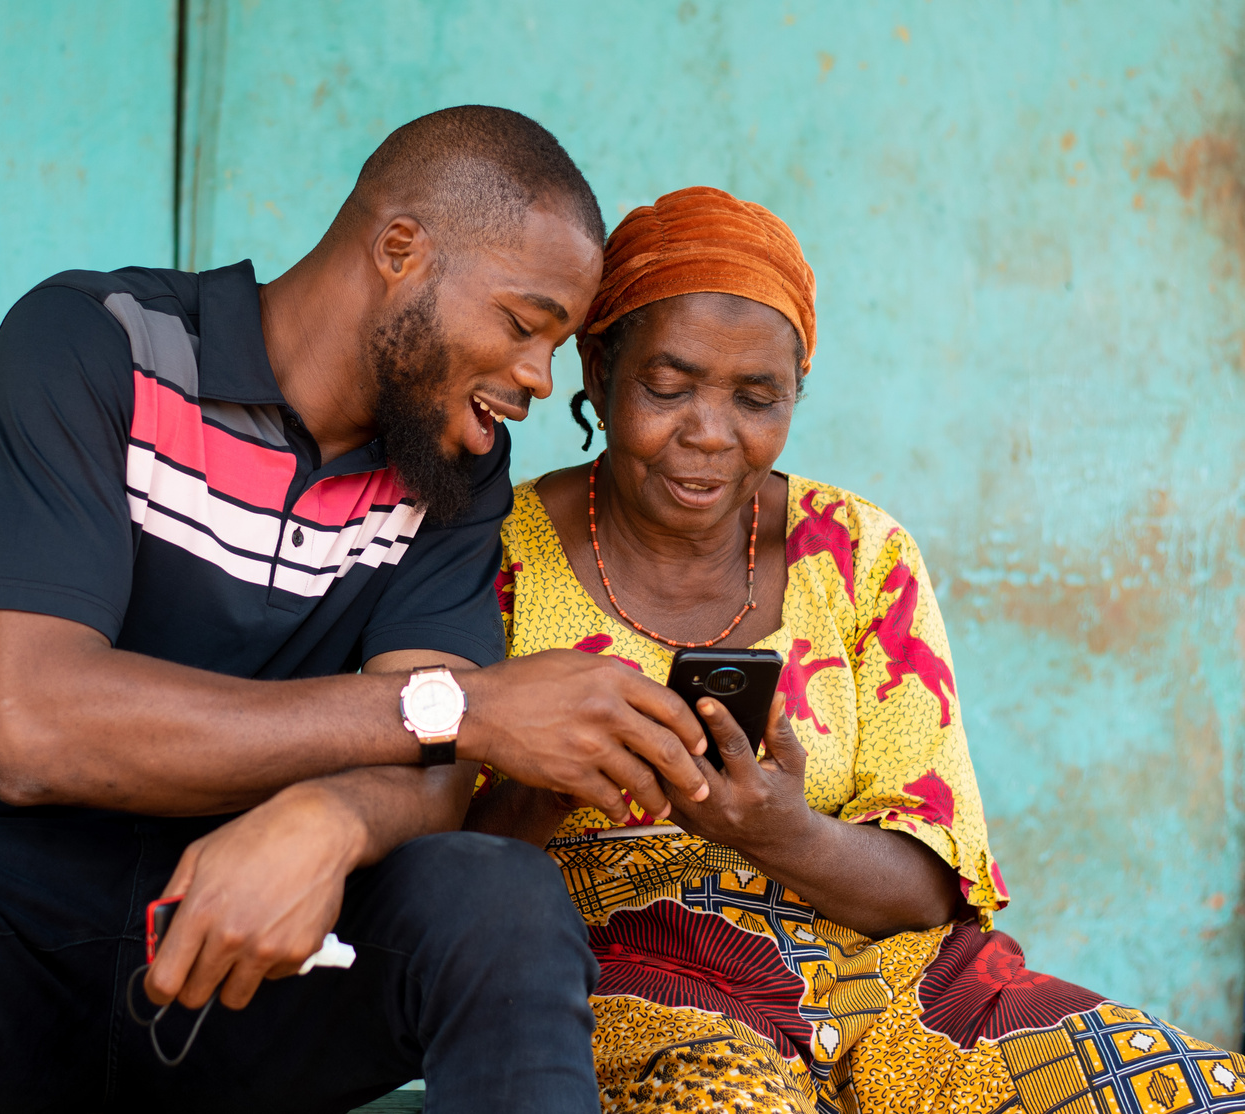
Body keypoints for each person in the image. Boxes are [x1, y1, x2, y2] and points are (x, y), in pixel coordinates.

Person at [0, 108, 719, 1114]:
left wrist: (325, 819)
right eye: (521, 322)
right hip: (7, 942)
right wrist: (463, 708)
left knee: (502, 900)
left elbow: (427, 774)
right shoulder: (97, 344)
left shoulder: (450, 467)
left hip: (267, 953)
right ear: (401, 252)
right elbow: (36, 726)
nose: (539, 379)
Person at [465, 185, 1245, 1114]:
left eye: (756, 398)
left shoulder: (859, 551)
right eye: (667, 388)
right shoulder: (489, 552)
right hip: (637, 982)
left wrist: (775, 829)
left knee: (1182, 1093)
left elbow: (928, 890)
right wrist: (550, 781)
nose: (710, 433)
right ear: (595, 367)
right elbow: (431, 871)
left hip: (899, 989)